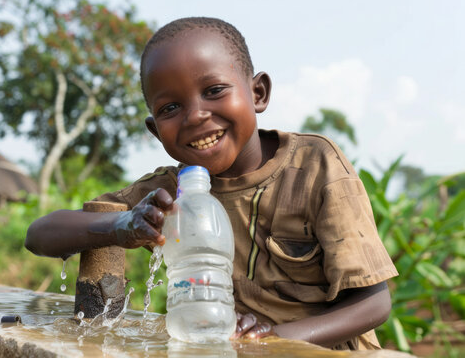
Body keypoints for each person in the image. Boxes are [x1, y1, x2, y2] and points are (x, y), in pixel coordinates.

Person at [25, 17, 398, 350]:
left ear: (258, 93)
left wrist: (272, 340)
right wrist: (122, 225)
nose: (196, 116)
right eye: (170, 108)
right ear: (156, 130)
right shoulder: (171, 192)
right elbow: (40, 234)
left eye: (215, 90)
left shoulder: (315, 166)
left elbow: (373, 303)